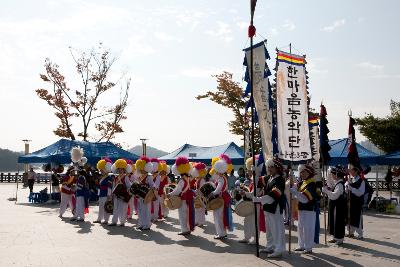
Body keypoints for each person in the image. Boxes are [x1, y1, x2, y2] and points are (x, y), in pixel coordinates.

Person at [253, 158, 286, 258]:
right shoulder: (269, 178)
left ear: (277, 168)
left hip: (275, 207)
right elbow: (257, 182)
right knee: (270, 229)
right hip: (267, 207)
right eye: (268, 167)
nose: (270, 169)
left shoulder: (280, 179)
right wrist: (256, 172)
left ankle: (279, 249)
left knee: (276, 228)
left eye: (272, 167)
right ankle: (270, 246)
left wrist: (259, 199)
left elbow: (274, 194)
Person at [290, 164, 318, 254]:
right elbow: (295, 190)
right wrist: (292, 183)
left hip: (309, 209)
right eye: (301, 172)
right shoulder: (302, 182)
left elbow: (305, 199)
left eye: (304, 172)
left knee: (308, 228)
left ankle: (308, 247)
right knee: (300, 228)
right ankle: (301, 245)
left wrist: (295, 192)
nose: (302, 174)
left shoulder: (312, 183)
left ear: (309, 173)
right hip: (301, 209)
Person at [239, 155, 266, 244]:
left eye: (251, 169)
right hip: (250, 203)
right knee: (247, 221)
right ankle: (247, 237)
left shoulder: (259, 180)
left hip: (256, 204)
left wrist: (245, 193)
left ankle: (255, 239)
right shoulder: (254, 180)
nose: (249, 171)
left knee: (255, 222)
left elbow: (255, 194)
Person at [168, 157, 195, 235]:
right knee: (187, 214)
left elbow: (177, 190)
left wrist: (170, 194)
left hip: (183, 199)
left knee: (182, 215)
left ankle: (184, 230)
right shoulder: (188, 179)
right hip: (188, 199)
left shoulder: (181, 180)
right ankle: (188, 228)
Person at [322, 165, 347, 245]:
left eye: (333, 174)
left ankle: (339, 238)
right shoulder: (337, 183)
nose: (332, 176)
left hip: (338, 207)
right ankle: (335, 237)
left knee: (338, 221)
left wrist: (326, 191)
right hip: (335, 206)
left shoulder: (340, 185)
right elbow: (330, 185)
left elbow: (334, 195)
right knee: (333, 221)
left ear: (336, 175)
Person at [211, 154, 234, 239]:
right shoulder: (223, 177)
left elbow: (218, 190)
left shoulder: (221, 178)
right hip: (223, 197)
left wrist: (212, 193)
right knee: (221, 216)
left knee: (218, 216)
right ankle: (222, 233)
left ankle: (221, 233)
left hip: (220, 198)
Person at [109, 159, 132, 227]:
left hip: (123, 196)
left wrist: (125, 190)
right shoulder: (115, 177)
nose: (120, 170)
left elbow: (129, 186)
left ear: (124, 170)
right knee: (115, 209)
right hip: (116, 195)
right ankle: (114, 221)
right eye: (119, 169)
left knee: (123, 209)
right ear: (117, 169)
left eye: (122, 169)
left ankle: (122, 222)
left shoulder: (126, 178)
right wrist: (111, 195)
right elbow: (113, 187)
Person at [135, 156, 155, 230]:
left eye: (142, 168)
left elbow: (153, 185)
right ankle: (141, 224)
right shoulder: (140, 176)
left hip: (146, 196)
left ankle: (147, 225)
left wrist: (153, 188)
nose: (140, 170)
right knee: (140, 210)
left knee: (146, 210)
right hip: (140, 196)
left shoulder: (149, 176)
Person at [346, 164, 365, 239]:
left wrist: (352, 189)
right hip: (351, 201)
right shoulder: (351, 179)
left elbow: (361, 192)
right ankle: (351, 232)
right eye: (350, 171)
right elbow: (347, 191)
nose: (351, 172)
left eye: (352, 170)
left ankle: (360, 233)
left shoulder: (361, 181)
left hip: (357, 202)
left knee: (357, 217)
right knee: (350, 217)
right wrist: (347, 188)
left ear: (356, 171)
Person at [93, 158, 113, 224]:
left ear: (106, 169)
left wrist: (109, 196)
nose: (101, 171)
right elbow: (99, 187)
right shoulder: (101, 177)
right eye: (100, 169)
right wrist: (98, 195)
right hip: (101, 194)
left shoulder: (109, 178)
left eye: (102, 169)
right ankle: (99, 219)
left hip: (105, 195)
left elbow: (109, 187)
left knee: (106, 207)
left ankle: (106, 220)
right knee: (101, 207)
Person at [191, 162, 207, 227]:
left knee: (200, 210)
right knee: (197, 209)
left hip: (201, 197)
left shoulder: (202, 180)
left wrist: (196, 192)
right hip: (198, 196)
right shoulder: (198, 179)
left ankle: (201, 222)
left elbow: (202, 189)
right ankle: (198, 221)